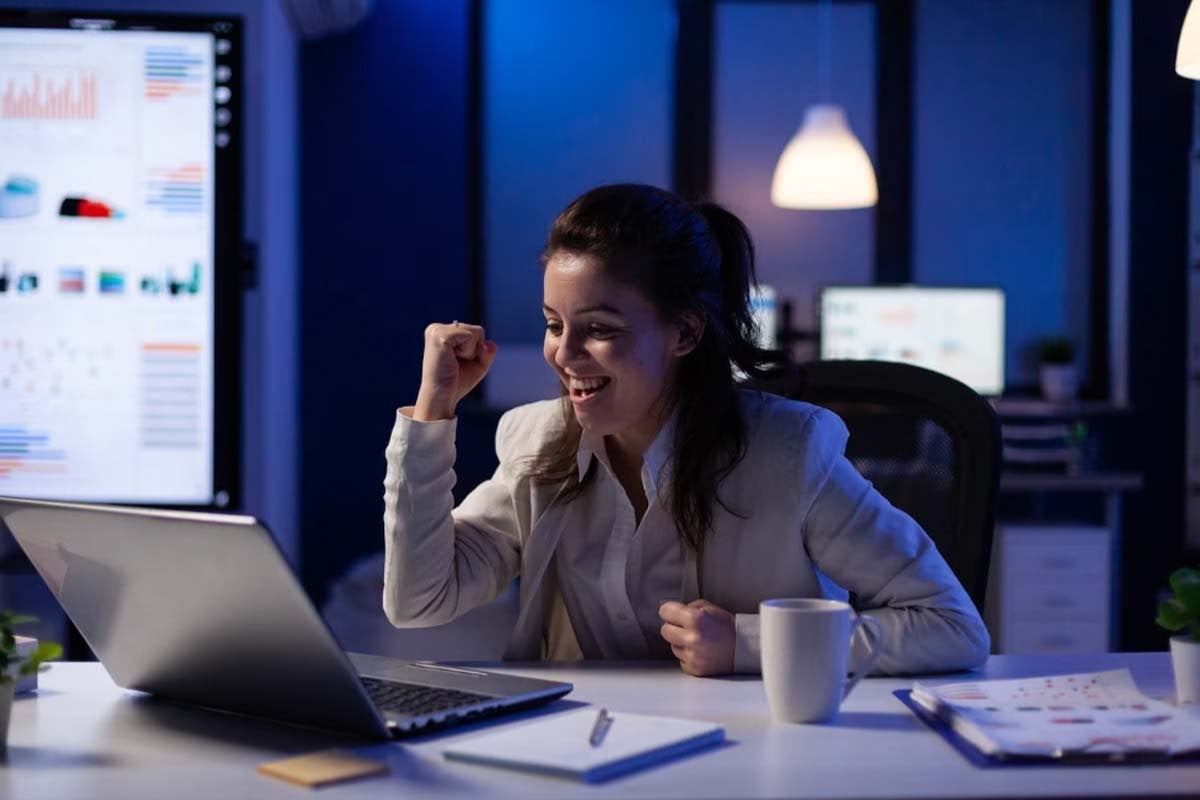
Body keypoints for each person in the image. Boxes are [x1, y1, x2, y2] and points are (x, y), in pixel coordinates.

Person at [383, 183, 989, 677]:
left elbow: (952, 626)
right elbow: (418, 601)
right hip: (584, 758)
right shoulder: (538, 444)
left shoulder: (790, 454)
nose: (564, 355)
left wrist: (749, 644)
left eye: (600, 329)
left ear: (684, 334)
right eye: (552, 324)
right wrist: (433, 411)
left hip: (748, 759)